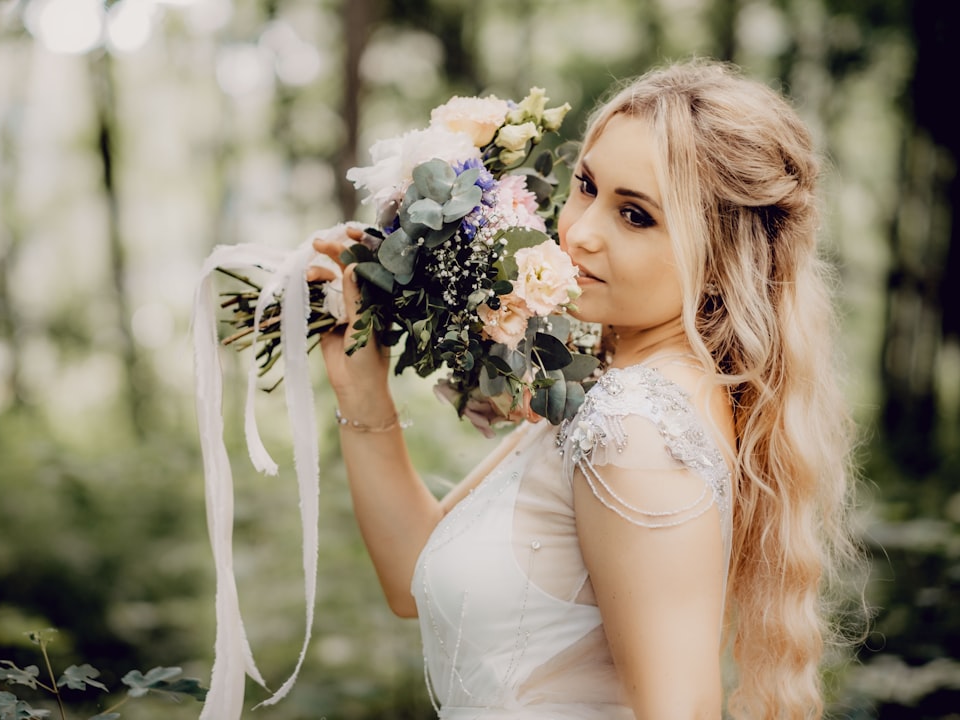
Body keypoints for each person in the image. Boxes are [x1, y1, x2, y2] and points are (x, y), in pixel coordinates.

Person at [311, 59, 860, 719]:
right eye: (586, 186)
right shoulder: (606, 392)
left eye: (635, 216)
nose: (580, 231)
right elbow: (411, 578)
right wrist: (363, 387)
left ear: (719, 261)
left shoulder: (635, 428)